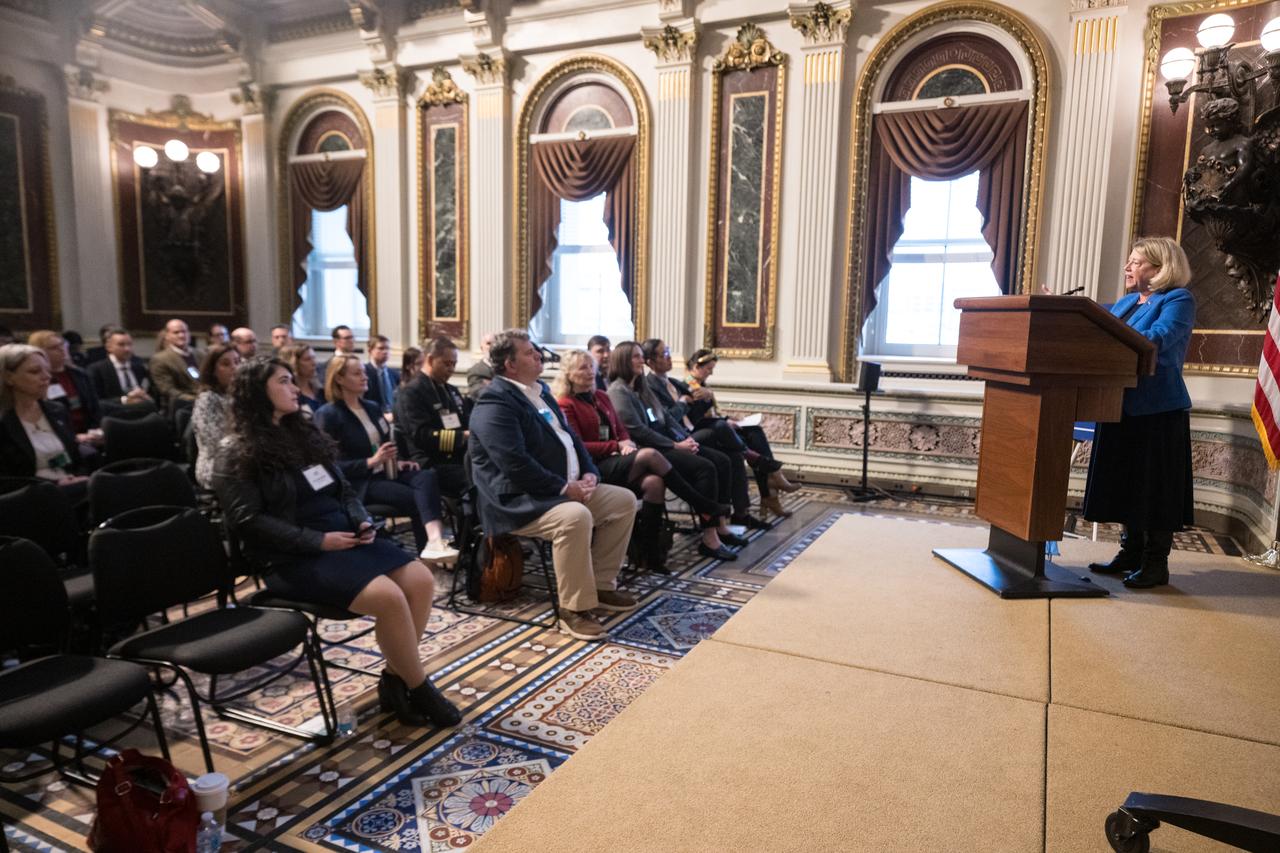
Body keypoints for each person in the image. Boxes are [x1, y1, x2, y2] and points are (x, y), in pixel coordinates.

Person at [213, 357, 460, 727]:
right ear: (257, 392)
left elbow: (343, 489)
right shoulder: (236, 450)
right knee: (390, 598)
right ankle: (420, 687)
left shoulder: (302, 432)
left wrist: (362, 519)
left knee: (421, 580)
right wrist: (318, 541)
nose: (295, 388)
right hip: (292, 555)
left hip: (343, 534)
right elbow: (248, 521)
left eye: (292, 380)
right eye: (284, 381)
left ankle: (394, 679)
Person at [469, 330, 638, 641]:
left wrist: (590, 474)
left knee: (623, 501)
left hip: (558, 489)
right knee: (575, 517)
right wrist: (564, 489)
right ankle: (573, 610)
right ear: (510, 364)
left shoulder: (540, 392)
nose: (538, 355)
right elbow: (514, 463)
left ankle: (601, 585)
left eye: (535, 350)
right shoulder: (494, 403)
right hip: (518, 500)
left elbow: (570, 438)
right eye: (529, 352)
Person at [1084, 237, 1196, 589]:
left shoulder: (1178, 299)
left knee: (1155, 487)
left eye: (1136, 262)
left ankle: (1155, 563)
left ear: (1161, 268)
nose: (1127, 267)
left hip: (1157, 409)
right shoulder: (1126, 302)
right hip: (1118, 403)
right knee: (1126, 482)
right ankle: (1130, 552)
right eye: (1129, 261)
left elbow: (1158, 337)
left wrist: (1105, 330)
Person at [553, 349, 726, 573]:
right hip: (593, 467)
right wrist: (616, 446)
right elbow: (579, 445)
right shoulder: (565, 404)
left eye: (590, 367)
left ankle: (649, 555)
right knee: (650, 455)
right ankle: (703, 505)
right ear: (568, 373)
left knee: (655, 483)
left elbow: (622, 429)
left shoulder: (601, 397)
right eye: (582, 368)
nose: (589, 372)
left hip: (617, 459)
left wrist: (625, 441)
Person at [607, 342, 745, 561]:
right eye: (636, 357)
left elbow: (665, 417)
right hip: (649, 450)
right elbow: (639, 431)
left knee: (721, 460)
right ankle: (710, 538)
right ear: (623, 360)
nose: (641, 361)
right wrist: (675, 445)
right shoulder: (618, 391)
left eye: (641, 356)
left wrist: (684, 438)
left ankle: (719, 525)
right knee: (705, 468)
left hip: (667, 442)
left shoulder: (641, 386)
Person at [315, 353, 459, 563]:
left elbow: (384, 445)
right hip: (360, 481)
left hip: (385, 471)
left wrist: (397, 461)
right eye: (357, 373)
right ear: (339, 378)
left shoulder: (372, 407)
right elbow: (329, 465)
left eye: (364, 372)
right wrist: (370, 462)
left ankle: (434, 542)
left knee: (426, 476)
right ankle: (428, 558)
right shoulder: (328, 415)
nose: (364, 377)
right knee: (416, 498)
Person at [680, 347, 799, 509]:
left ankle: (769, 480)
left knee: (754, 431)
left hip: (716, 428)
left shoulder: (702, 386)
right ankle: (769, 482)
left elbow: (712, 415)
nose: (711, 373)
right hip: (704, 435)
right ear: (696, 367)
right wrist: (722, 419)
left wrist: (729, 418)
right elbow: (694, 420)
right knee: (742, 444)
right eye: (708, 369)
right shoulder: (686, 387)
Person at [0, 344, 89, 502]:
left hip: (73, 488)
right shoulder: (4, 421)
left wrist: (78, 477)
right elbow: (6, 479)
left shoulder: (57, 410)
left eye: (47, 370)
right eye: (35, 371)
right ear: (8, 377)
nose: (46, 376)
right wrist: (54, 485)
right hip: (28, 499)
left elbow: (76, 456)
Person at [397, 337, 469, 498]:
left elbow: (465, 421)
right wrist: (462, 437)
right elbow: (421, 435)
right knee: (477, 479)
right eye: (447, 364)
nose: (451, 369)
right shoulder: (413, 392)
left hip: (456, 457)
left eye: (454, 364)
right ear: (430, 360)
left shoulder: (451, 390)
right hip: (430, 461)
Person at [28, 330, 102, 436]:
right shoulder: (39, 379)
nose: (62, 350)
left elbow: (95, 408)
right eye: (54, 348)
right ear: (40, 353)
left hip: (89, 432)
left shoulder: (80, 374)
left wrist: (95, 431)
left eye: (62, 345)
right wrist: (73, 437)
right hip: (57, 435)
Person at [190, 344, 240, 490]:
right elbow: (216, 444)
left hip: (243, 458)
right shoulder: (207, 399)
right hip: (217, 466)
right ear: (213, 371)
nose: (234, 367)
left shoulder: (240, 395)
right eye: (226, 364)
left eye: (237, 362)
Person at [88, 327, 153, 407]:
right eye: (121, 345)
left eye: (129, 344)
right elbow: (95, 401)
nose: (127, 349)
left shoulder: (138, 367)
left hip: (141, 410)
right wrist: (124, 400)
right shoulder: (96, 370)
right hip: (114, 411)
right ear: (108, 347)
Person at [150, 318, 201, 410]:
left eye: (184, 331)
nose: (181, 335)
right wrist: (196, 400)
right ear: (167, 335)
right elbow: (168, 390)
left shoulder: (201, 354)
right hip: (183, 406)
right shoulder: (160, 359)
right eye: (176, 332)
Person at [279, 343, 324, 414]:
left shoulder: (320, 390)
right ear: (294, 363)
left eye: (314, 358)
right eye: (307, 359)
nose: (314, 363)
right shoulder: (289, 395)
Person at [364, 334, 399, 416]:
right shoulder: (364, 372)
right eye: (381, 348)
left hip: (394, 416)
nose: (385, 352)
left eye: (387, 348)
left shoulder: (394, 374)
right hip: (373, 415)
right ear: (370, 350)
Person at [465, 332, 495, 400]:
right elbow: (479, 394)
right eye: (488, 343)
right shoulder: (476, 371)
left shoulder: (506, 367)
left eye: (495, 343)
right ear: (482, 348)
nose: (492, 347)